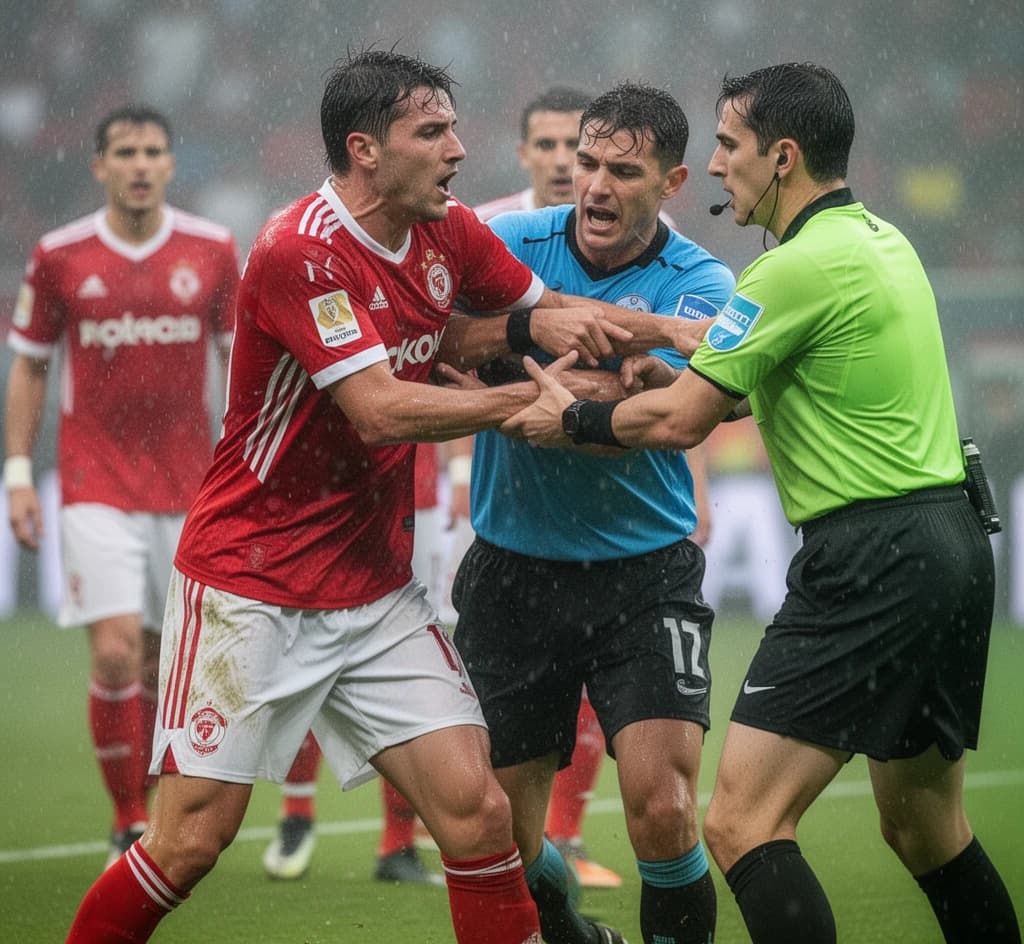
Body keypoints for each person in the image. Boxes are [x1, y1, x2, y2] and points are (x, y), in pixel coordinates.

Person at [63, 46, 660, 944]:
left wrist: (677, 341)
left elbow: (528, 322)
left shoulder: (446, 228)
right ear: (366, 149)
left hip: (374, 589)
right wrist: (529, 403)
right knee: (190, 840)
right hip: (249, 585)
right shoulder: (298, 251)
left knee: (477, 813)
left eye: (454, 126)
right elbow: (379, 411)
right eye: (433, 131)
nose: (459, 148)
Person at [505, 62, 1022, 944]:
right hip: (954, 543)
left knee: (742, 823)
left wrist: (577, 416)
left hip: (873, 556)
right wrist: (679, 367)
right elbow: (747, 387)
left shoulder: (788, 270)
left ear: (783, 157)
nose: (714, 166)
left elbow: (680, 423)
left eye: (728, 146)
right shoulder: (880, 241)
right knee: (926, 828)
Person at [452, 82, 734, 944]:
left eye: (624, 170)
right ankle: (578, 936)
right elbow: (445, 344)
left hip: (644, 573)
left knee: (663, 807)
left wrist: (534, 380)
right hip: (512, 566)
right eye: (587, 163)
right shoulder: (510, 242)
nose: (598, 187)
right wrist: (591, 380)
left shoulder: (700, 279)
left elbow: (655, 420)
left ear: (673, 182)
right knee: (499, 830)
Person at [3, 105, 240, 870]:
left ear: (172, 164)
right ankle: (126, 820)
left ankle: (151, 809)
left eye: (153, 152)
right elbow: (32, 365)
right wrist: (16, 474)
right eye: (126, 153)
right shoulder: (60, 255)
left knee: (158, 661)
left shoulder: (211, 250)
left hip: (191, 487)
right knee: (112, 655)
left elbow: (242, 368)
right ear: (100, 165)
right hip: (94, 483)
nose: (141, 165)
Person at [262, 443, 448, 885]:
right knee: (308, 657)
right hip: (324, 496)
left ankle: (399, 842)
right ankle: (297, 813)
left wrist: (459, 471)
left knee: (412, 668)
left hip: (411, 498)